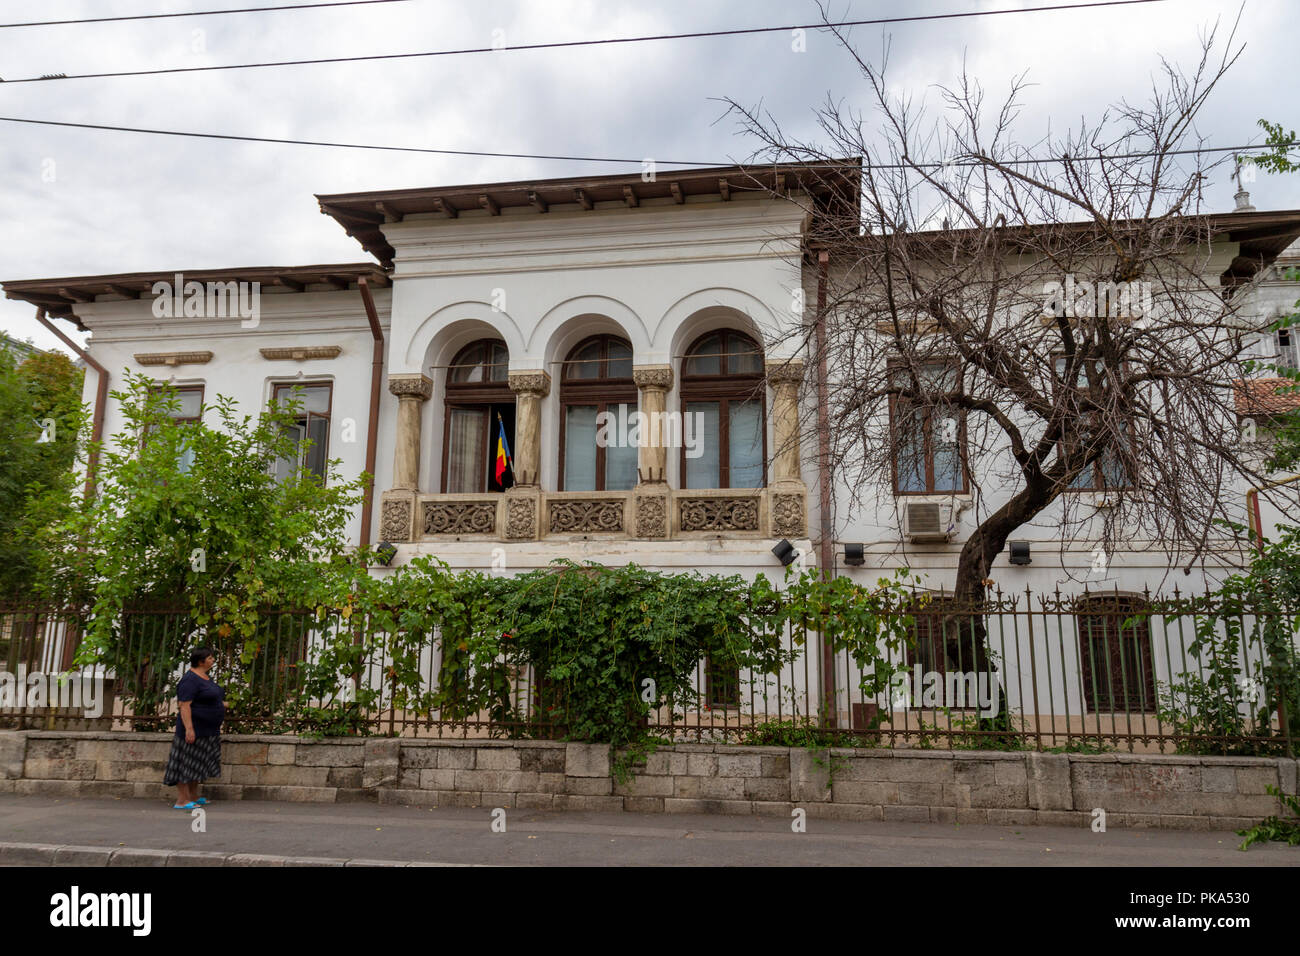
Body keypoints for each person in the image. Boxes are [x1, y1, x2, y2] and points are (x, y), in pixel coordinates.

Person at [162, 647, 226, 809]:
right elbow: (184, 705)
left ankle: (193, 796)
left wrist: (220, 705)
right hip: (194, 729)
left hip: (207, 730)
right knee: (186, 763)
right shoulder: (190, 680)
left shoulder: (205, 677)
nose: (213, 660)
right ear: (200, 661)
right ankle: (182, 800)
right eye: (210, 658)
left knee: (197, 763)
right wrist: (189, 729)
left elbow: (207, 698)